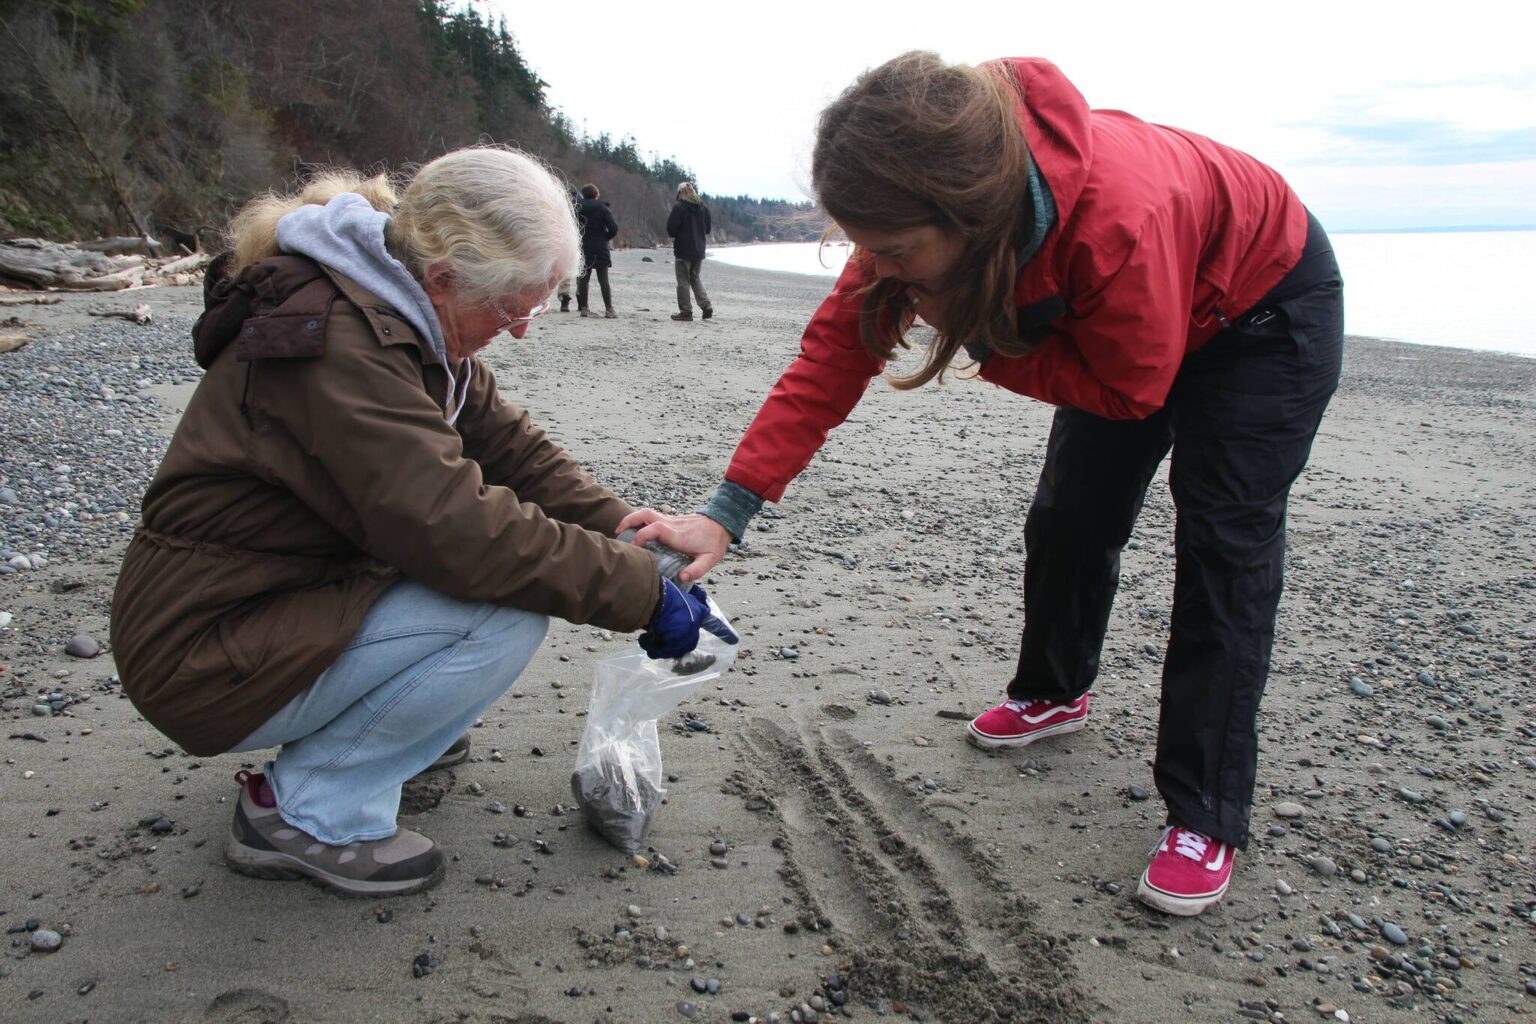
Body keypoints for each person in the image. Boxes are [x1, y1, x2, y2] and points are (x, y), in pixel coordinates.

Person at [621, 52, 1344, 918]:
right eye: (861, 245)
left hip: (1259, 310)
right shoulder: (911, 209)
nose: (874, 266)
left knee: (1224, 545)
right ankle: (1052, 691)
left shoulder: (1119, 222)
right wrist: (725, 514)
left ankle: (1207, 812)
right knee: (1069, 516)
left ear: (970, 220)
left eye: (890, 252)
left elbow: (1132, 389)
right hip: (1118, 311)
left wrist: (978, 338)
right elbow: (830, 357)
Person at [108, 147, 735, 898]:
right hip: (200, 651)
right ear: (445, 278)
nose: (523, 329)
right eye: (514, 309)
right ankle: (308, 814)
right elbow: (455, 528)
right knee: (499, 614)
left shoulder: (400, 310)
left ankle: (371, 735)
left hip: (268, 602)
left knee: (488, 586)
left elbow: (510, 450)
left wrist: (628, 532)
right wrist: (639, 593)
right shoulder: (336, 342)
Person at [667, 181, 713, 321]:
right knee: (695, 278)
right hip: (698, 250)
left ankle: (686, 311)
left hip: (683, 249)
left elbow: (671, 230)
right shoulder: (703, 208)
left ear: (681, 193)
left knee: (683, 281)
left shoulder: (679, 208)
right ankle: (706, 306)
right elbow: (707, 230)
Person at [575, 182, 619, 318]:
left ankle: (584, 308)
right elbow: (614, 228)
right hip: (600, 245)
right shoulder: (602, 208)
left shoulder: (577, 208)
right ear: (596, 194)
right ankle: (609, 309)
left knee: (584, 279)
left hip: (583, 244)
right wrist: (605, 237)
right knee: (603, 279)